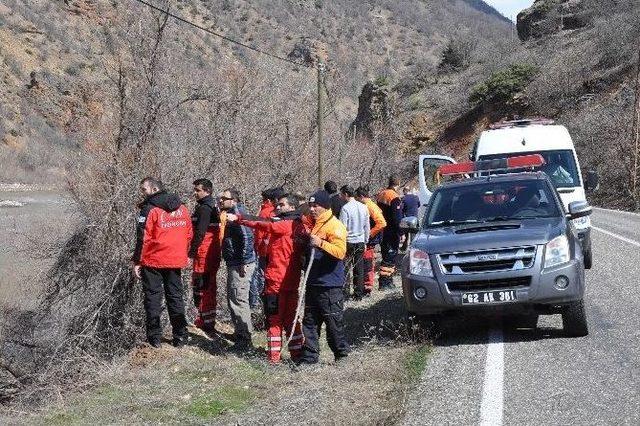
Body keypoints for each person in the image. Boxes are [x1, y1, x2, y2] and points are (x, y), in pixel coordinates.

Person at [227, 193, 307, 363]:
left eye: (282, 205)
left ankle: (274, 359)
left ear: (292, 207)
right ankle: (298, 354)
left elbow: (261, 223)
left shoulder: (285, 225)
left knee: (274, 320)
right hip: (292, 282)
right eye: (277, 204)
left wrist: (238, 218)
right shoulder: (301, 226)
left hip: (276, 281)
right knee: (292, 320)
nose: (278, 207)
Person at [132, 177, 192, 348]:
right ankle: (180, 337)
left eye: (144, 189)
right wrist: (183, 253)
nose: (142, 193)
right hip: (175, 260)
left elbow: (142, 238)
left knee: (152, 299)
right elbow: (189, 234)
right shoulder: (182, 209)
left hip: (153, 260)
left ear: (155, 188)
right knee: (175, 298)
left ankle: (154, 339)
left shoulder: (149, 210)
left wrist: (137, 261)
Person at [299, 190, 350, 365]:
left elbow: (340, 252)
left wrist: (320, 243)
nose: (312, 209)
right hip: (314, 282)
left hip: (329, 284)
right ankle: (309, 357)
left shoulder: (334, 225)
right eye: (310, 205)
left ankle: (341, 354)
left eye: (316, 206)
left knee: (333, 321)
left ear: (325, 206)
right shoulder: (315, 224)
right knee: (310, 322)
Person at [219, 188, 256, 350]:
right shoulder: (231, 213)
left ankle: (244, 340)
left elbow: (247, 237)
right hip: (235, 262)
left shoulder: (238, 215)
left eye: (224, 198)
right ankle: (241, 333)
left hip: (241, 263)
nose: (221, 200)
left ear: (233, 200)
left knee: (238, 299)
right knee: (235, 298)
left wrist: (242, 260)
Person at [188, 178, 222, 333]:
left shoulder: (205, 208)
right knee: (206, 286)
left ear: (207, 191)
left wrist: (191, 252)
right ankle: (205, 319)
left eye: (198, 190)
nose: (195, 193)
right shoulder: (208, 205)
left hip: (205, 252)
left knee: (203, 287)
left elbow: (201, 232)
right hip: (209, 251)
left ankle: (207, 323)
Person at [250, 187, 283, 310]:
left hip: (265, 251)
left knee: (262, 277)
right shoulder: (275, 211)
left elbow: (260, 232)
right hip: (273, 251)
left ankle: (258, 304)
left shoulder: (265, 212)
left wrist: (258, 247)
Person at [339, 185, 370, 300]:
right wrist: (366, 240)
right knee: (359, 268)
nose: (341, 196)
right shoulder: (364, 207)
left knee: (346, 267)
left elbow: (343, 228)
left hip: (348, 241)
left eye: (342, 194)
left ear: (346, 194)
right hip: (360, 241)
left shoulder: (345, 208)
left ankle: (345, 293)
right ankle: (358, 294)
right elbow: (367, 226)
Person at [355, 186, 386, 295]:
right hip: (368, 240)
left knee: (368, 264)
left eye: (357, 198)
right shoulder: (369, 205)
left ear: (361, 197)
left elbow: (382, 223)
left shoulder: (370, 206)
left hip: (369, 241)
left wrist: (369, 234)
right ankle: (365, 285)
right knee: (365, 263)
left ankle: (367, 287)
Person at [377, 175, 403, 290]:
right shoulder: (394, 197)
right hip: (391, 231)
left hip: (382, 230)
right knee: (390, 257)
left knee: (385, 255)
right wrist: (401, 232)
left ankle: (387, 280)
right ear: (398, 184)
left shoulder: (381, 194)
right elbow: (396, 218)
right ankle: (385, 282)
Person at [400, 186, 420, 251]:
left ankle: (404, 247)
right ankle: (413, 249)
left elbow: (401, 209)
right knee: (414, 234)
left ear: (405, 191)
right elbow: (419, 205)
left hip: (407, 219)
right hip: (415, 219)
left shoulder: (403, 199)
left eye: (403, 191)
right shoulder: (416, 197)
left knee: (406, 235)